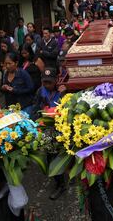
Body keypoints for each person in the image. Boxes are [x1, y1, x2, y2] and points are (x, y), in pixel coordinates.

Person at [32, 68, 67, 200]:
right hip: (47, 129)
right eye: (44, 82)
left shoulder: (63, 90)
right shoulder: (40, 91)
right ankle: (60, 183)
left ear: (56, 80)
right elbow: (35, 108)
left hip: (61, 128)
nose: (47, 85)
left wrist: (64, 95)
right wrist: (40, 113)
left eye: (49, 82)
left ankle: (66, 179)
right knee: (51, 157)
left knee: (65, 154)